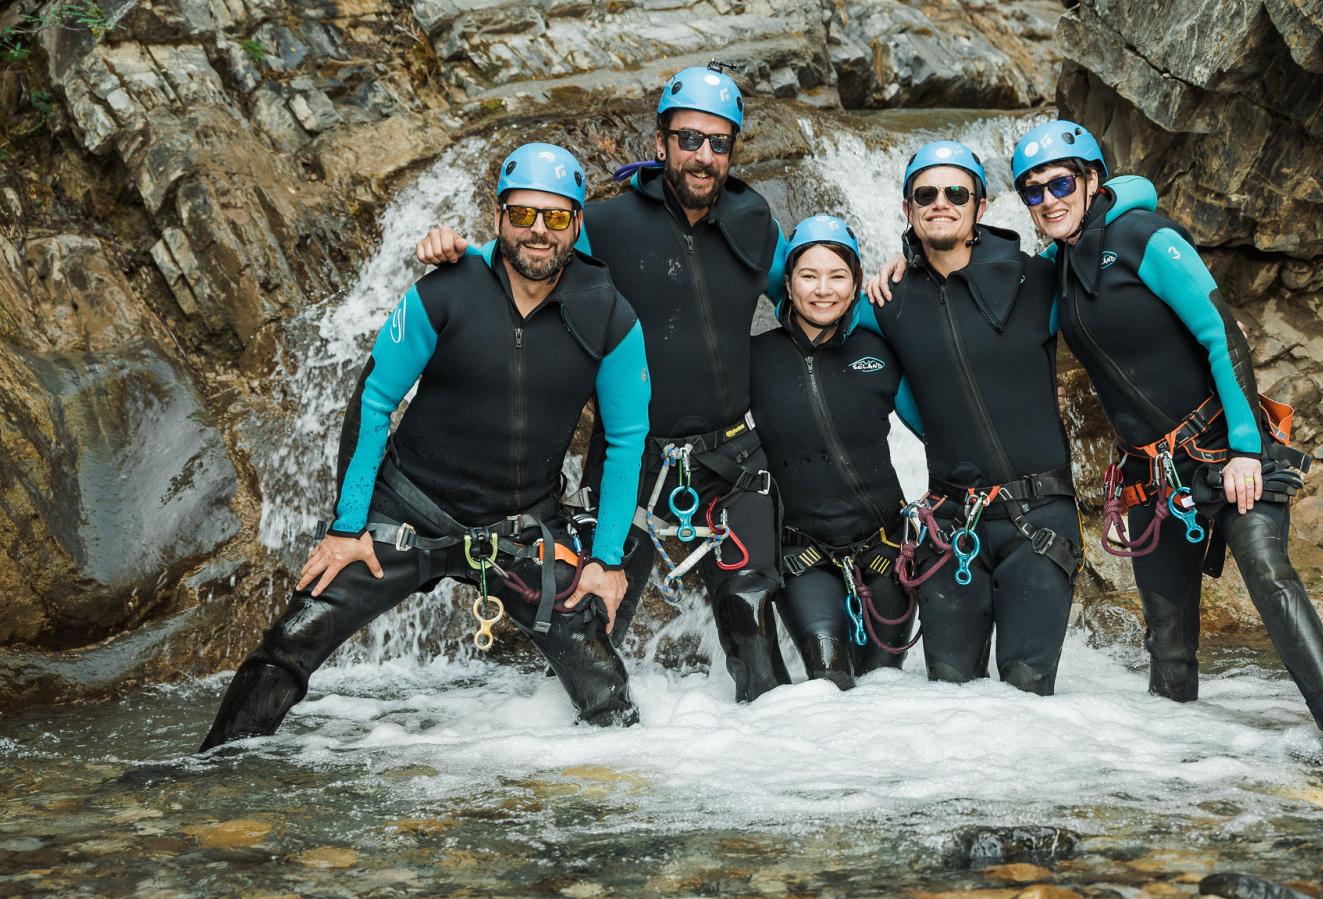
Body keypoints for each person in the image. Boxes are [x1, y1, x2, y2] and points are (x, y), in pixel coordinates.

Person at [200, 142, 651, 750]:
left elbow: (626, 442)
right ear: (497, 216)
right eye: (522, 215)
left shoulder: (610, 317)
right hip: (406, 510)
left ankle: (610, 809)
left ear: (577, 225)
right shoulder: (445, 291)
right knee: (289, 643)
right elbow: (374, 400)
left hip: (519, 530)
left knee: (604, 687)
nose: (538, 231)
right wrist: (347, 525)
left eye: (556, 217)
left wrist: (607, 562)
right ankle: (215, 775)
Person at [414, 63, 791, 702]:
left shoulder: (755, 221)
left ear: (733, 149)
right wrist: (458, 251)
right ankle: (596, 770)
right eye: (689, 139)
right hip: (631, 458)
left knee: (752, 620)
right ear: (661, 141)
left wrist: (873, 290)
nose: (703, 156)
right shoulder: (606, 224)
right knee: (593, 620)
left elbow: (814, 301)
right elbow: (529, 256)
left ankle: (775, 773)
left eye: (718, 142)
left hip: (733, 457)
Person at [1007, 119, 1323, 768]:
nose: (1048, 200)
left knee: (1269, 576)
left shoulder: (1146, 236)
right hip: (1151, 476)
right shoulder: (1054, 272)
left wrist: (1246, 448)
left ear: (1091, 179)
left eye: (1059, 182)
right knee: (1167, 636)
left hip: (1220, 449)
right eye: (1031, 192)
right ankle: (1178, 777)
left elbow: (1219, 332)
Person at [854, 141, 1083, 695]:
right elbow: (801, 286)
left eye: (956, 193)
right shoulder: (886, 300)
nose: (941, 203)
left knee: (1027, 697)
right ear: (908, 209)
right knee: (951, 705)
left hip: (1039, 521)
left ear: (981, 207)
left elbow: (1115, 243)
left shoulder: (1039, 279)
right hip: (951, 524)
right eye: (925, 194)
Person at [751, 215, 919, 688]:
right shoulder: (754, 359)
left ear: (856, 286)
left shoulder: (881, 352)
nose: (822, 290)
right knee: (828, 685)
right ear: (788, 283)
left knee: (886, 688)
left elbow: (935, 431)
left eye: (837, 276)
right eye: (808, 275)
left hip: (886, 551)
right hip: (804, 557)